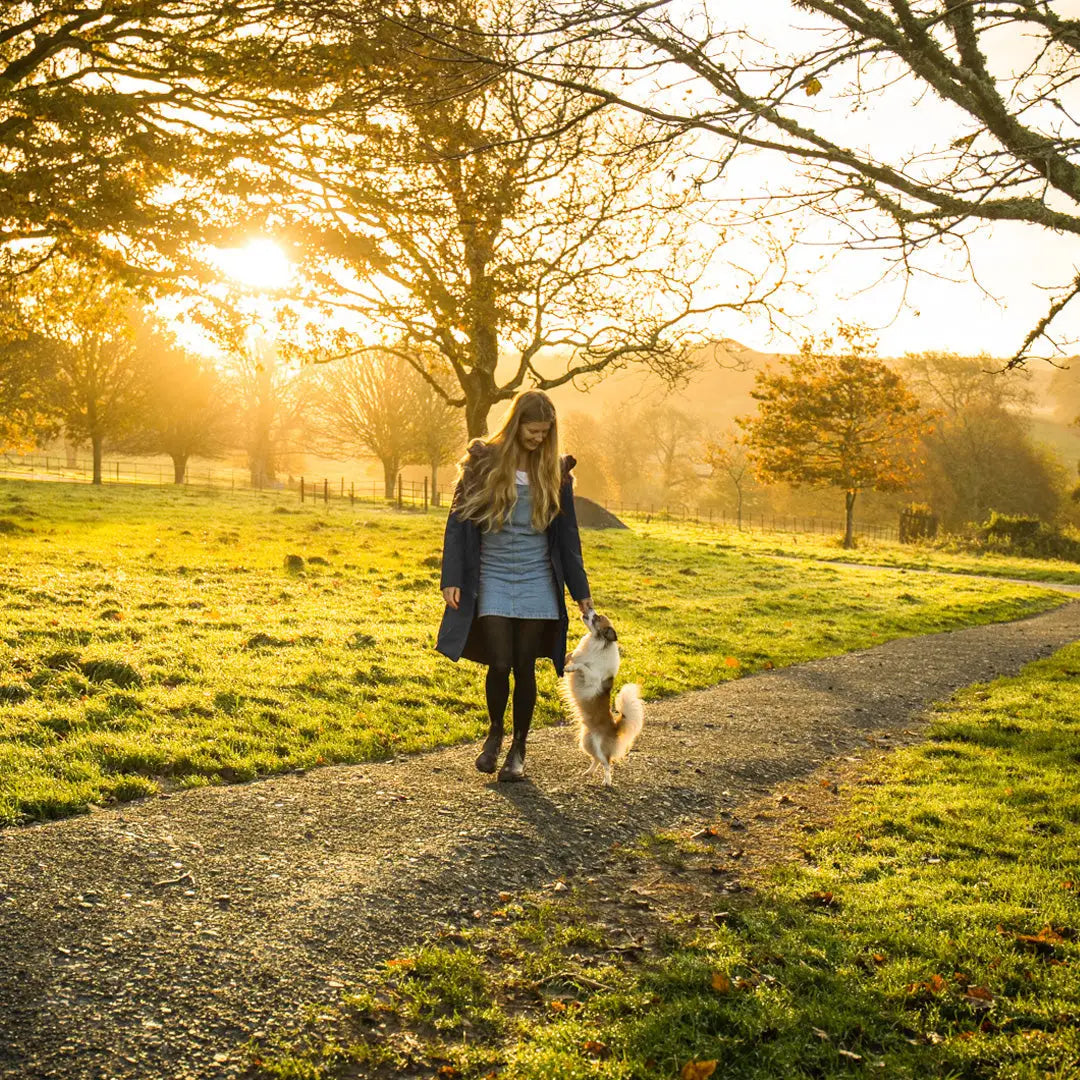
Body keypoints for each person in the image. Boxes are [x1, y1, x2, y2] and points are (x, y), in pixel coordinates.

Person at [436, 390, 593, 782]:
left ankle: (518, 750)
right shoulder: (484, 461)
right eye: (533, 430)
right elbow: (457, 523)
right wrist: (451, 578)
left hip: (537, 576)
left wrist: (581, 593)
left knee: (525, 666)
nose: (538, 438)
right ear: (517, 422)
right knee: (500, 661)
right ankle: (494, 733)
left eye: (545, 433)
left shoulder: (555, 471)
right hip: (490, 572)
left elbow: (569, 538)